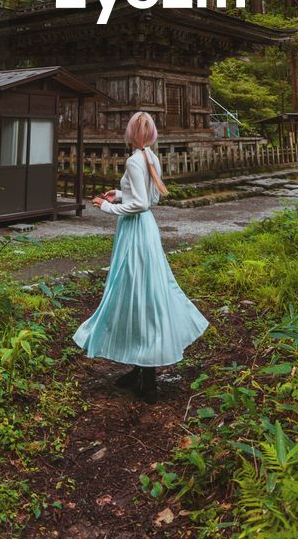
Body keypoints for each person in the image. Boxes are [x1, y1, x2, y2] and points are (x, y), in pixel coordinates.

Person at [72, 111, 209, 403]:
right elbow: (150, 198)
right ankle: (140, 368)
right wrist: (118, 194)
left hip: (136, 230)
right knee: (145, 290)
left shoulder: (135, 160)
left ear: (131, 132)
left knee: (136, 290)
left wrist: (107, 208)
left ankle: (147, 377)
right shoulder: (150, 158)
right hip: (145, 229)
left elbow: (142, 203)